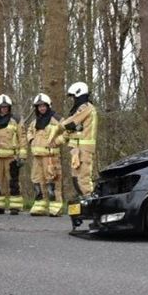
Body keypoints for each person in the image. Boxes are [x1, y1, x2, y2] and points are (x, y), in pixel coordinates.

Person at [60, 82, 97, 227]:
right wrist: (59, 139)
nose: (72, 100)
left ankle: (95, 214)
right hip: (77, 150)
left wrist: (58, 128)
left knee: (84, 181)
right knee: (77, 181)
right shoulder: (80, 109)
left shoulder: (86, 107)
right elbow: (73, 128)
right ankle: (83, 213)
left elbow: (70, 123)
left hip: (84, 150)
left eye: (73, 97)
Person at [0, 95, 26, 215]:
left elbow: (22, 138)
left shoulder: (16, 119)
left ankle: (15, 206)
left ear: (9, 108)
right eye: (1, 107)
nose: (4, 109)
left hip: (12, 157)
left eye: (6, 107)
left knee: (13, 181)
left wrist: (23, 155)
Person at [27, 93, 64, 216]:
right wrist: (31, 140)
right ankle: (40, 205)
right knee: (37, 181)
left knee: (52, 182)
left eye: (44, 106)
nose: (41, 108)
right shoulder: (35, 121)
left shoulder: (57, 119)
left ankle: (55, 207)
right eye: (39, 106)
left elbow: (69, 131)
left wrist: (58, 141)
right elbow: (29, 131)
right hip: (37, 156)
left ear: (48, 106)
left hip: (50, 157)